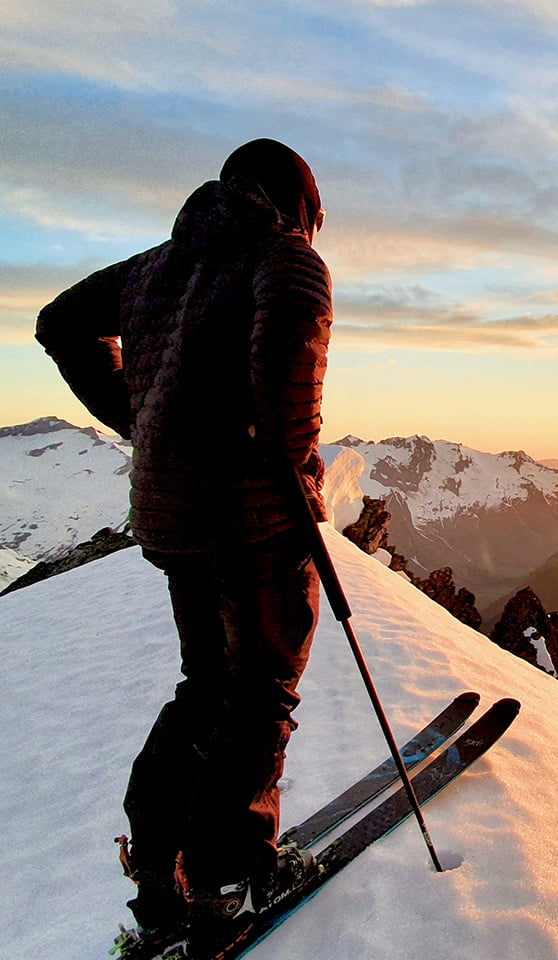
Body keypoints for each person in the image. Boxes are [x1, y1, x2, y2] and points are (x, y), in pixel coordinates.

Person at [36, 139, 332, 949]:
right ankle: (229, 874)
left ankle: (158, 869)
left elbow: (59, 324)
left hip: (174, 517)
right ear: (299, 205)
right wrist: (286, 452)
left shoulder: (159, 265)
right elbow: (288, 401)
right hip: (255, 521)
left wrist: (143, 416)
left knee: (208, 686)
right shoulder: (287, 260)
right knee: (261, 692)